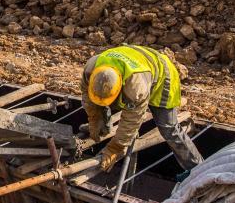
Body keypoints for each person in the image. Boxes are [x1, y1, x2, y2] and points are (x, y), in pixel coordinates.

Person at [81, 44, 203, 173]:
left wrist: (115, 148)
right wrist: (94, 120)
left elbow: (132, 121)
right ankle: (104, 128)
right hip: (138, 61)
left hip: (162, 73)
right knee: (101, 104)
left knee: (169, 128)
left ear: (120, 87)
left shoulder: (136, 87)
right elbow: (88, 98)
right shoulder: (90, 69)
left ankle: (198, 168)